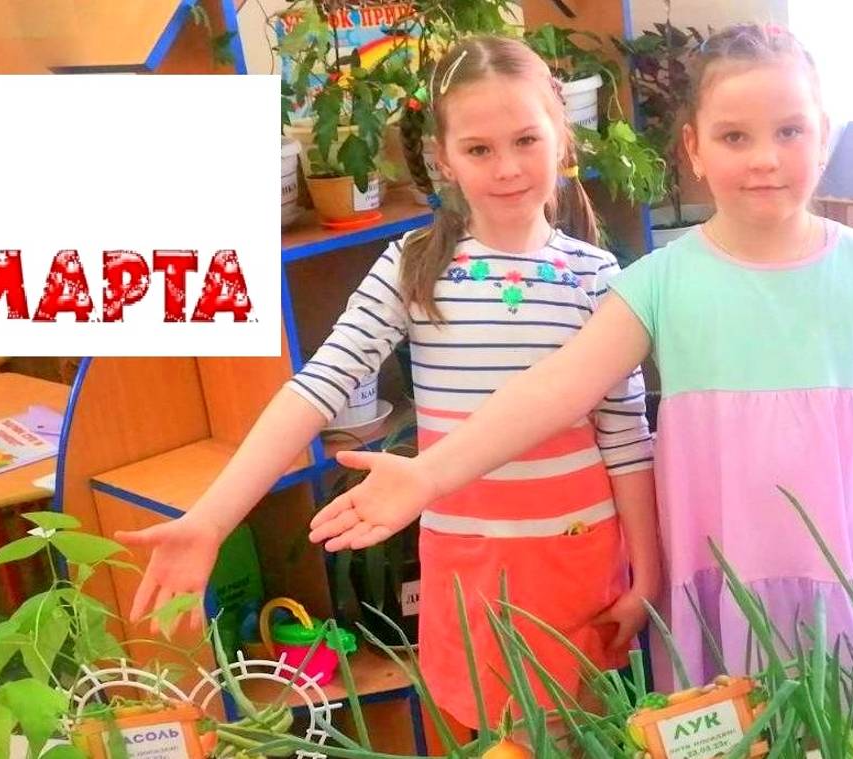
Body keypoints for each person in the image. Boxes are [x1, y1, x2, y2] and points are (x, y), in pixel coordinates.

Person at [309, 23, 853, 712]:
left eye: (790, 131)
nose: (765, 159)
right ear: (694, 149)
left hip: (844, 581)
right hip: (716, 594)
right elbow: (556, 388)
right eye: (734, 136)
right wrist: (429, 473)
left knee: (848, 736)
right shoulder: (658, 282)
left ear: (823, 135)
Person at [118, 35, 659, 731]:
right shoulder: (413, 266)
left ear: (561, 137)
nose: (506, 168)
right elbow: (318, 386)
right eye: (479, 149)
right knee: (499, 735)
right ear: (443, 159)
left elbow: (626, 438)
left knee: (582, 732)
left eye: (526, 140)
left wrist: (646, 575)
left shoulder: (597, 275)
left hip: (579, 557)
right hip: (468, 561)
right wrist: (212, 519)